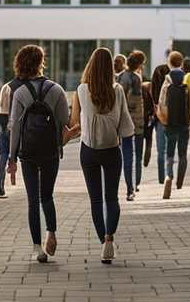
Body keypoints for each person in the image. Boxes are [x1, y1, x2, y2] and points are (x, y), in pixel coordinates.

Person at [68, 47, 135, 264]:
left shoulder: (81, 89)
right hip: (112, 150)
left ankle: (103, 244)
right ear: (110, 68)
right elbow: (126, 125)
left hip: (88, 150)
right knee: (112, 197)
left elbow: (73, 122)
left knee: (96, 200)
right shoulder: (117, 90)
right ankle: (109, 239)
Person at [7, 44, 74, 262]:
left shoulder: (20, 92)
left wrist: (12, 158)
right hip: (50, 152)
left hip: (28, 153)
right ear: (40, 63)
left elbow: (15, 127)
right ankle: (51, 232)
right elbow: (66, 121)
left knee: (32, 200)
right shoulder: (56, 89)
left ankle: (37, 248)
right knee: (47, 196)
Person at [157, 51, 190, 198]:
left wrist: (164, 119)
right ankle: (180, 182)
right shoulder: (187, 79)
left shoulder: (167, 79)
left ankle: (169, 176)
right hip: (183, 122)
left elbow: (162, 102)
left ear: (169, 63)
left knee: (169, 152)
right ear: (181, 63)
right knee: (182, 154)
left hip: (170, 122)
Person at [116, 50, 147, 201]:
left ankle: (130, 187)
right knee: (135, 156)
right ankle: (132, 187)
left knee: (126, 156)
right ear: (140, 64)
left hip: (122, 122)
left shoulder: (120, 76)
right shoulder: (135, 78)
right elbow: (135, 101)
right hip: (136, 123)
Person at [149, 63, 170, 184]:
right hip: (171, 121)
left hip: (159, 121)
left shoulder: (152, 88)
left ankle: (161, 179)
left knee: (161, 151)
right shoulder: (171, 85)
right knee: (170, 149)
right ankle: (169, 175)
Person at [0, 80, 14, 198]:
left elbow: (0, 108)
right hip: (11, 123)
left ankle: (0, 178)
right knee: (10, 153)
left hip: (2, 121)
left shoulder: (5, 87)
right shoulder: (16, 87)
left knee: (3, 153)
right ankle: (2, 179)